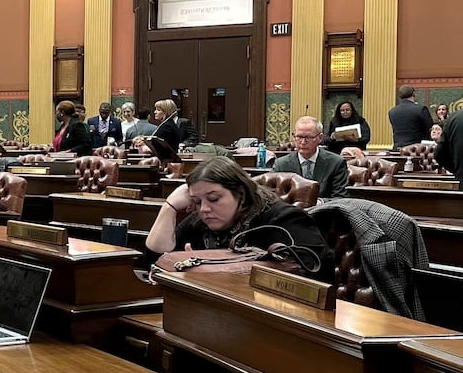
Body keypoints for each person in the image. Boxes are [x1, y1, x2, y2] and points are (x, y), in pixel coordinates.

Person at [145, 157, 335, 282]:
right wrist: (169, 207)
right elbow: (154, 259)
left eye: (214, 199)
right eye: (196, 201)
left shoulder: (283, 219)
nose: (204, 209)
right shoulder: (200, 221)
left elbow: (317, 269)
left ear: (241, 195)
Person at [270, 116, 348, 199]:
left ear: (320, 138)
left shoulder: (336, 163)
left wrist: (316, 203)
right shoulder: (281, 164)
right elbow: (271, 196)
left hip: (324, 210)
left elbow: (340, 198)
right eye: (299, 137)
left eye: (308, 138)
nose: (303, 142)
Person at [387, 84, 434, 149]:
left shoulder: (392, 112)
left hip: (398, 148)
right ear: (413, 94)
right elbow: (429, 128)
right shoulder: (421, 109)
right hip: (416, 149)